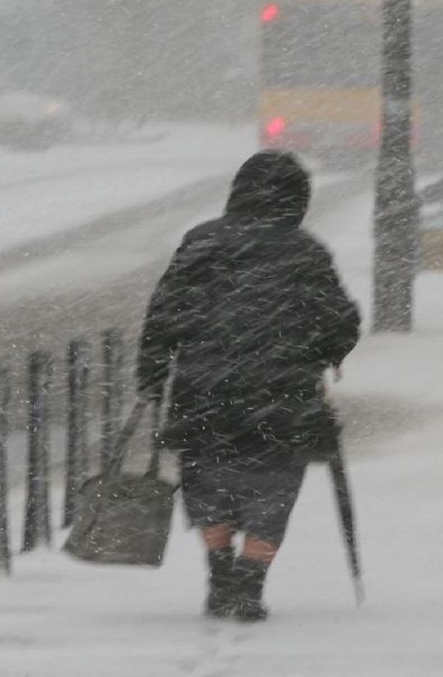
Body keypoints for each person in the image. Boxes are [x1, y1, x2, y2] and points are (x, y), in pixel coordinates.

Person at [137, 151, 360, 622]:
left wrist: (153, 373)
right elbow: (340, 320)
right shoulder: (306, 252)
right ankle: (250, 583)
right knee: (273, 488)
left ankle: (220, 574)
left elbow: (163, 314)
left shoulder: (201, 242)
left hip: (205, 389)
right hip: (282, 393)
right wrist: (326, 352)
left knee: (208, 482)